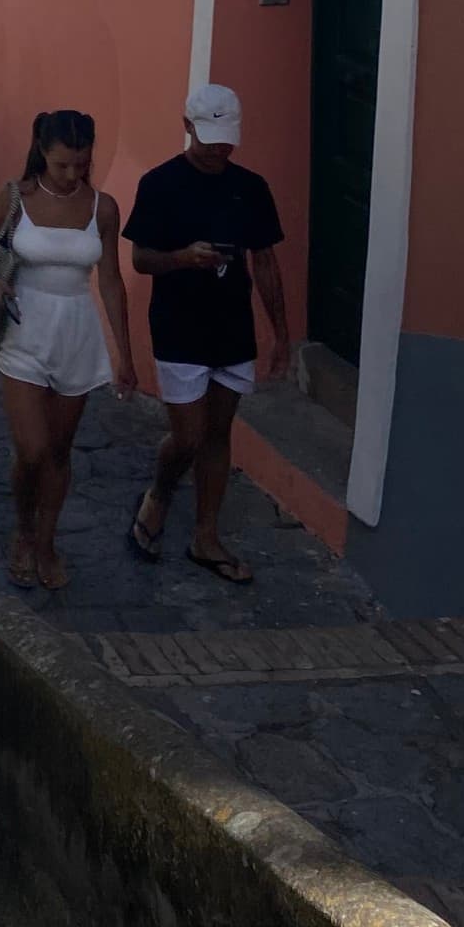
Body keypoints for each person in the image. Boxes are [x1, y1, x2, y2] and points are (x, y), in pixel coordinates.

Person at [0, 109, 136, 591]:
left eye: (81, 164)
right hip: (23, 329)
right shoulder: (15, 198)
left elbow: (113, 284)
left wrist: (126, 355)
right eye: (62, 165)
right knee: (31, 450)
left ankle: (46, 541)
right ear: (42, 152)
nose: (73, 173)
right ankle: (24, 526)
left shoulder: (105, 208)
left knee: (59, 451)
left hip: (77, 332)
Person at [123, 83, 290, 585]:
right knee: (188, 437)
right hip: (178, 324)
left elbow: (265, 261)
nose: (220, 147)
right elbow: (140, 259)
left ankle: (206, 535)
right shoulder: (159, 184)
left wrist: (282, 334)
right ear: (188, 126)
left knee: (219, 434)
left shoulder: (251, 188)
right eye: (211, 136)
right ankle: (160, 492)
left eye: (227, 138)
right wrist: (182, 258)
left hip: (231, 325)